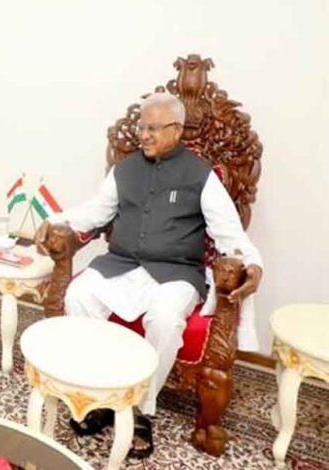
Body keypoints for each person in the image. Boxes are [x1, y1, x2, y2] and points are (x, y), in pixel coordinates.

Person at [35, 93, 263, 458]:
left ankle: (140, 408)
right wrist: (55, 221)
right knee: (79, 297)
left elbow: (229, 233)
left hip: (176, 273)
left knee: (165, 318)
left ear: (176, 130)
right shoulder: (125, 169)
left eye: (153, 128)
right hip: (121, 265)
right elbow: (94, 213)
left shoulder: (201, 175)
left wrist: (252, 264)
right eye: (142, 127)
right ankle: (100, 393)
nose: (144, 135)